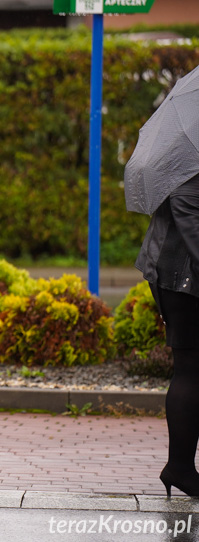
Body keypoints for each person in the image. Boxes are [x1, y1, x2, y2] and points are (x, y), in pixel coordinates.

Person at [136, 173, 199, 497]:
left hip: (181, 272)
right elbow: (188, 214)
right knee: (190, 368)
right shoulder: (190, 166)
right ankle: (180, 469)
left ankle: (180, 467)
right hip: (183, 278)